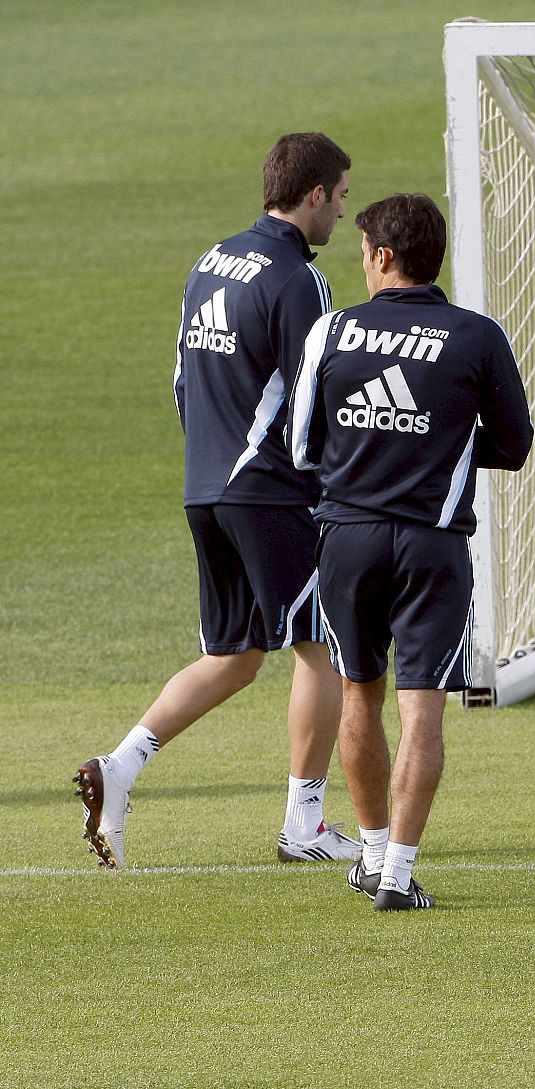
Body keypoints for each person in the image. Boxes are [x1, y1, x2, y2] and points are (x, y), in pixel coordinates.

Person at [75, 133, 358, 869]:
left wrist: (213, 461)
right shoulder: (300, 279)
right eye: (342, 196)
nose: (342, 213)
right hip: (267, 490)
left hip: (206, 482)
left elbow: (180, 379)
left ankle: (120, 765)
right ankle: (306, 824)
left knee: (234, 655)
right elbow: (310, 400)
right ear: (316, 193)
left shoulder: (211, 261)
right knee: (321, 647)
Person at [288, 192, 532, 911]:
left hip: (349, 540)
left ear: (384, 256)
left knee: (359, 691)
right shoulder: (477, 335)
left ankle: (368, 849)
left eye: (364, 253)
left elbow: (302, 445)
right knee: (422, 708)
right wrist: (440, 446)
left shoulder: (332, 331)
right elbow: (515, 445)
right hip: (434, 545)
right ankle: (396, 872)